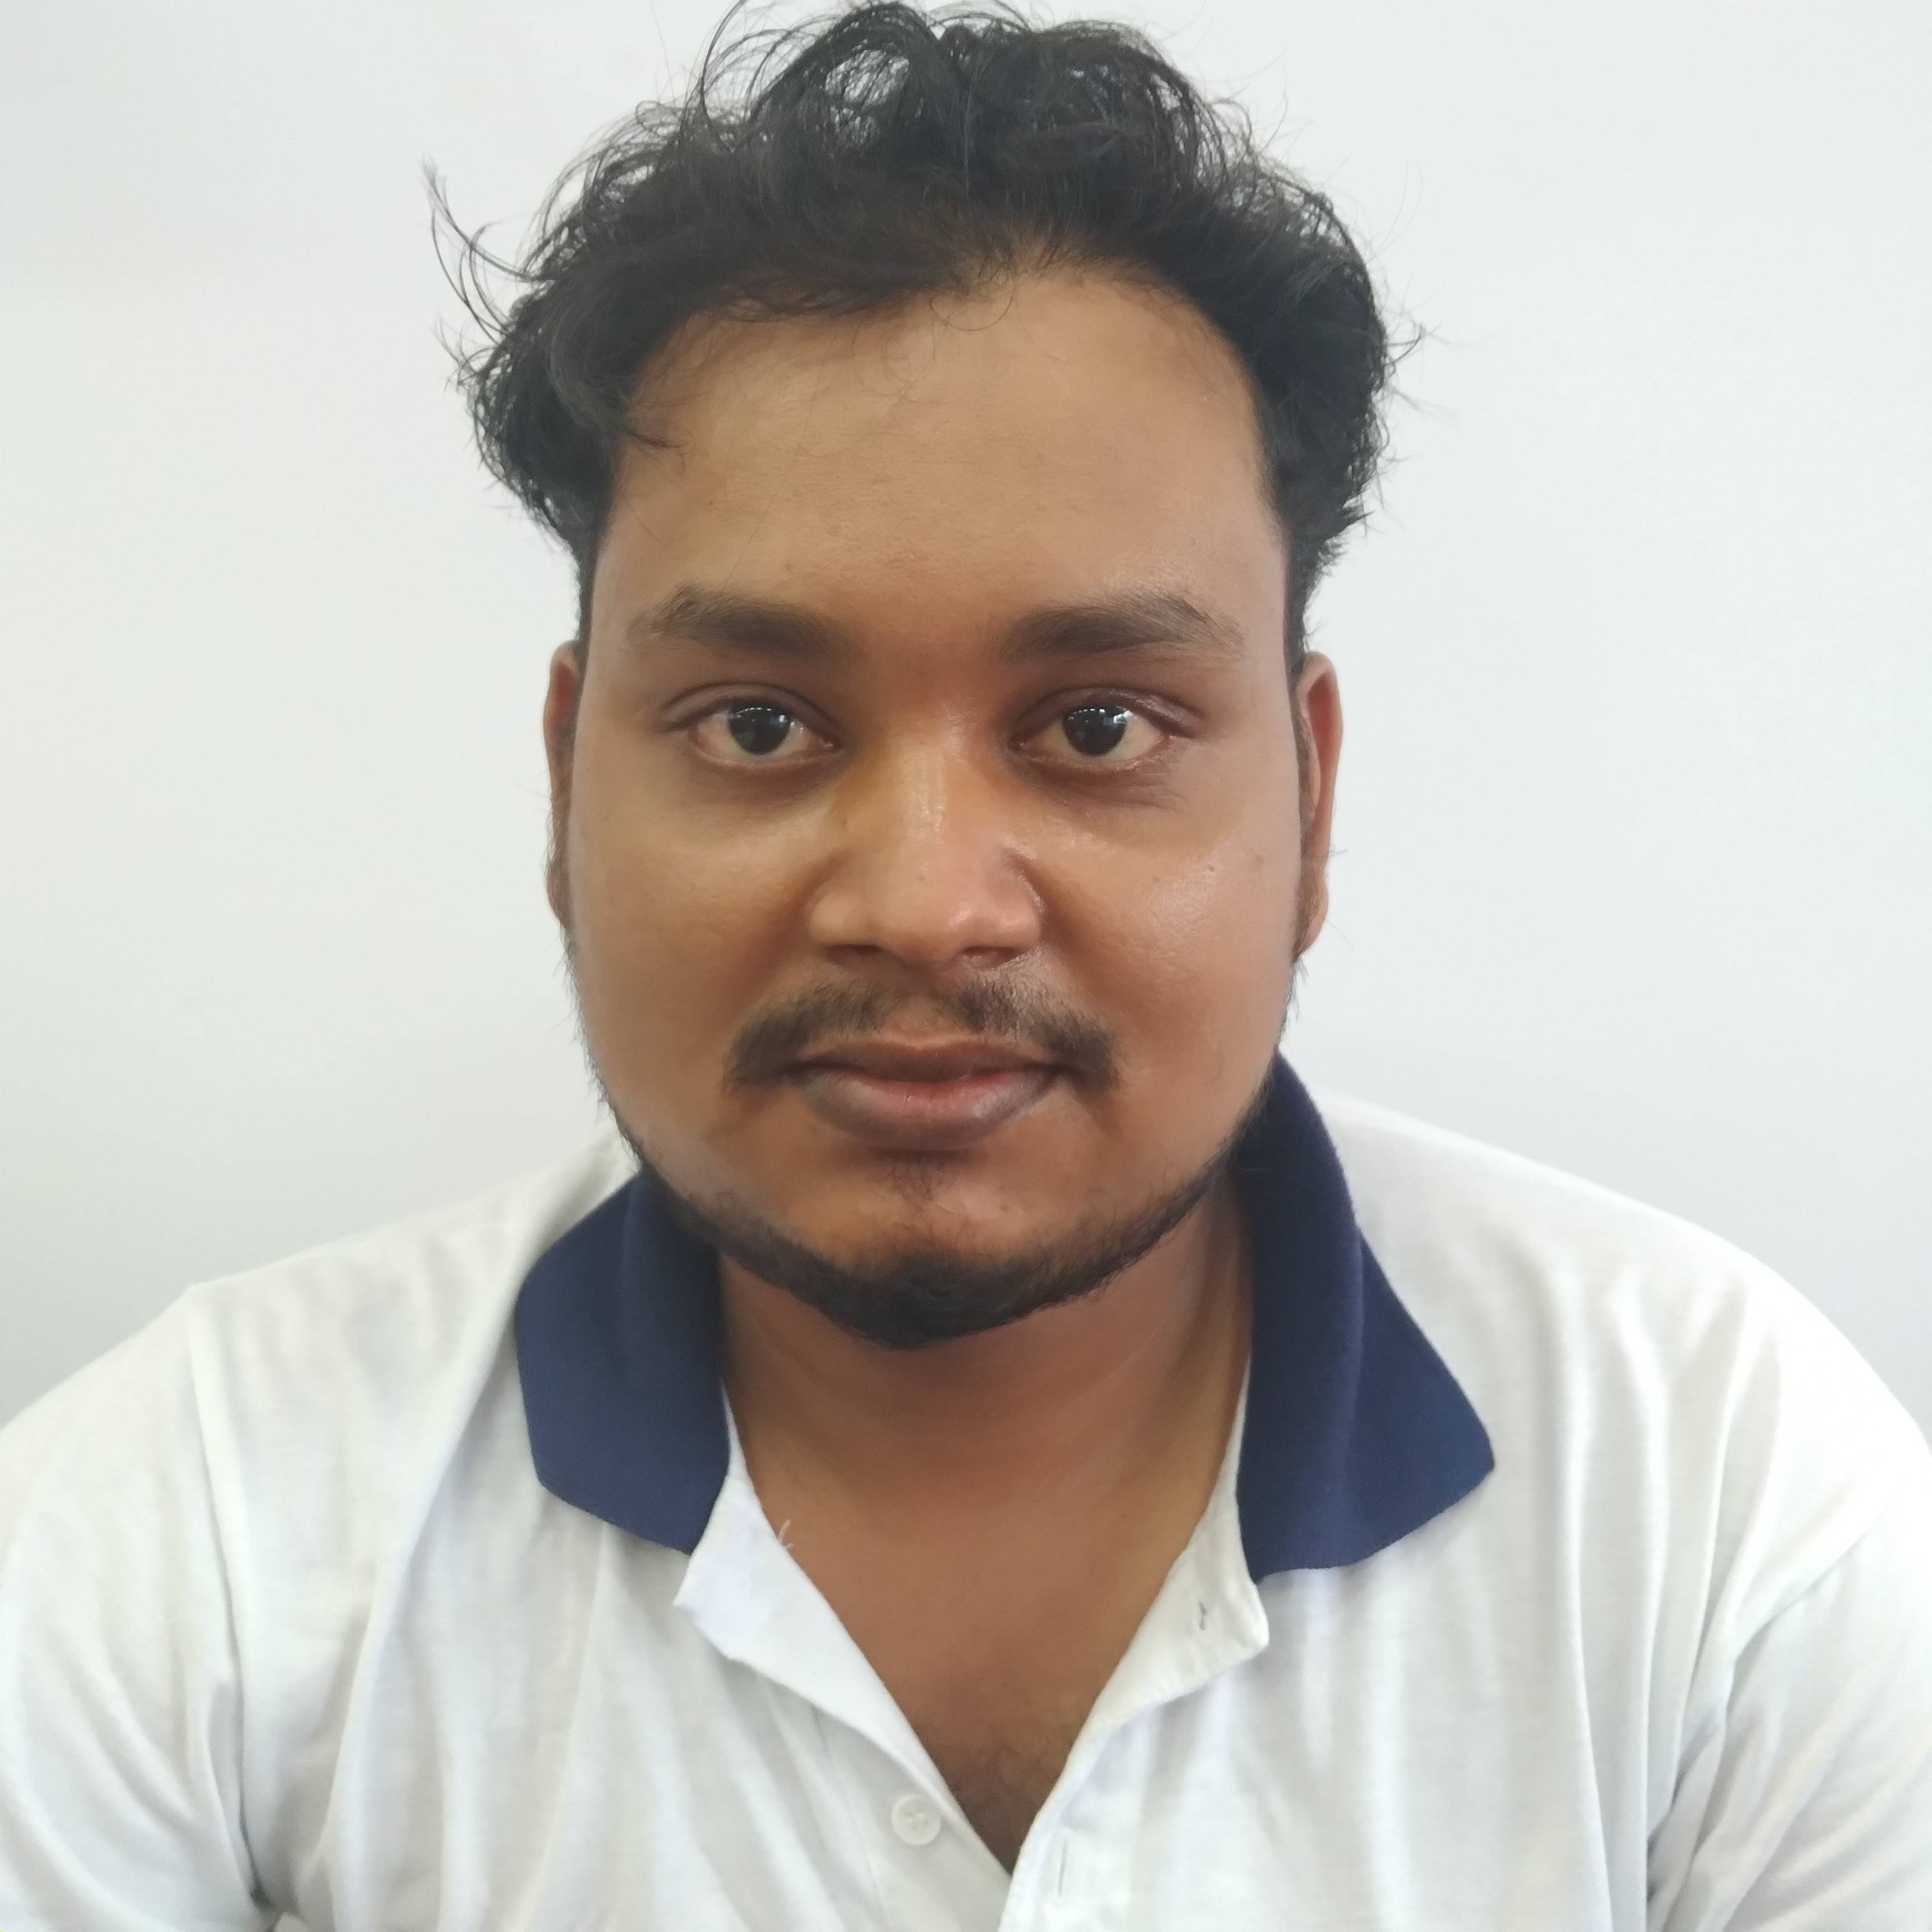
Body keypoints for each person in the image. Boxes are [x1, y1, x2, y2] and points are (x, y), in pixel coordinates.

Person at [3, 1, 1929, 1924]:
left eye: (1098, 726)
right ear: (568, 784)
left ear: (1312, 793)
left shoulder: (1715, 1487)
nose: (927, 906)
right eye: (760, 724)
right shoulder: (195, 1527)